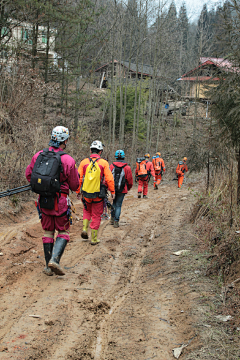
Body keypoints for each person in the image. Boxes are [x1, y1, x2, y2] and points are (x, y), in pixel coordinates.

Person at [25, 126, 79, 276]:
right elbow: (75, 185)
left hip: (43, 200)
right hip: (60, 200)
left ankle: (48, 267)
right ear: (65, 140)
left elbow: (29, 175)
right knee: (63, 230)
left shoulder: (38, 156)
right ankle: (55, 260)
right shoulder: (68, 160)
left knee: (48, 231)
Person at [77, 140, 115, 245]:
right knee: (96, 215)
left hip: (86, 193)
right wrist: (112, 191)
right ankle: (93, 239)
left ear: (90, 150)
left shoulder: (84, 162)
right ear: (100, 151)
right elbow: (109, 179)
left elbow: (79, 178)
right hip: (99, 194)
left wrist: (77, 191)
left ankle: (84, 228)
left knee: (86, 211)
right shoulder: (104, 163)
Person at [109, 150, 133, 228]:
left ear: (116, 157)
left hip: (113, 188)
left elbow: (108, 177)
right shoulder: (127, 167)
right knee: (118, 205)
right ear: (123, 156)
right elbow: (129, 180)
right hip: (122, 189)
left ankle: (112, 218)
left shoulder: (111, 166)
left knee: (114, 203)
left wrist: (107, 187)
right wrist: (129, 187)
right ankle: (116, 221)